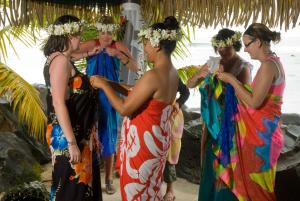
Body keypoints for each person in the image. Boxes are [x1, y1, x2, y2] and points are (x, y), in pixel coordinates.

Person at [90, 16, 181, 201]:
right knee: (150, 190)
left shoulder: (153, 74)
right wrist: (111, 83)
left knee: (137, 193)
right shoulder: (173, 73)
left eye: (146, 44)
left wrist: (104, 86)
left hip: (143, 147)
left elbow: (124, 108)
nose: (145, 49)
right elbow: (139, 92)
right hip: (157, 142)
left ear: (156, 45)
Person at [216, 23, 285, 201]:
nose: (245, 50)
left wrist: (231, 80)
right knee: (258, 189)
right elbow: (256, 95)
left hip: (262, 139)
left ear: (259, 42)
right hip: (264, 134)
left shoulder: (268, 66)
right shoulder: (273, 62)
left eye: (247, 45)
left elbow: (254, 102)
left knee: (260, 192)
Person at [73, 15, 138, 194]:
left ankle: (108, 179)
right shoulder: (91, 43)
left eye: (109, 33)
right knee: (89, 135)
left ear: (114, 32)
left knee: (108, 138)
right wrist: (88, 54)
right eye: (103, 32)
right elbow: (69, 54)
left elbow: (135, 66)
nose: (106, 36)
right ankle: (90, 177)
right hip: (90, 96)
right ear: (98, 31)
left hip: (110, 97)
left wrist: (118, 55)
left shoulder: (118, 46)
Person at [186, 28, 252, 201]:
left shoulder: (243, 67)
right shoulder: (213, 63)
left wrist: (227, 81)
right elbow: (189, 84)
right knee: (209, 168)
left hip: (231, 128)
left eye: (226, 46)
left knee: (226, 170)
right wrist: (201, 75)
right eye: (218, 47)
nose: (222, 50)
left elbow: (247, 101)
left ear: (235, 44)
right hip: (211, 126)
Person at [43, 15, 102, 201]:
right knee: (71, 191)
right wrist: (72, 143)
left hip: (75, 133)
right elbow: (58, 102)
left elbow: (73, 57)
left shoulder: (59, 57)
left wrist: (88, 54)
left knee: (74, 189)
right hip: (70, 137)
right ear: (68, 37)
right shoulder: (60, 61)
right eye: (78, 35)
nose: (81, 38)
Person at [163, 78, 190, 201]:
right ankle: (153, 186)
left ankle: (170, 190)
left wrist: (178, 103)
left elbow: (186, 92)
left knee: (170, 155)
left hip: (172, 116)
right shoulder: (151, 75)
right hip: (154, 115)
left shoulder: (172, 75)